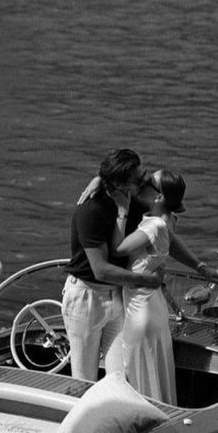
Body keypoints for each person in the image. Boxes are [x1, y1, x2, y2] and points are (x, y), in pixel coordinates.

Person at [62, 149, 164, 382]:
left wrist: (199, 266)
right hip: (86, 299)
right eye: (138, 180)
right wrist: (149, 280)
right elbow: (101, 269)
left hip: (118, 296)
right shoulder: (90, 210)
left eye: (144, 175)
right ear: (118, 185)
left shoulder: (133, 203)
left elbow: (160, 229)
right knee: (84, 378)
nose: (144, 182)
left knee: (119, 375)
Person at [112, 169, 188, 404]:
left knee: (137, 369)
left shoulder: (154, 226)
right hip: (149, 302)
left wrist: (122, 210)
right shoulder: (163, 220)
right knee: (151, 368)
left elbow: (119, 249)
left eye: (148, 183)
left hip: (141, 309)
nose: (141, 184)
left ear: (158, 197)